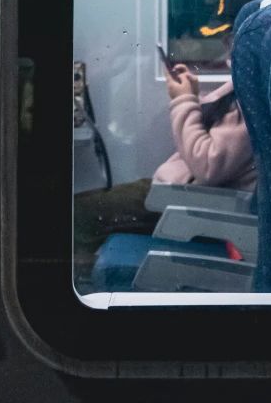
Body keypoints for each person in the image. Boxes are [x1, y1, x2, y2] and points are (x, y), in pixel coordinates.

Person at [73, 48, 256, 272]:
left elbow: (208, 165)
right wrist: (191, 94)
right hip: (181, 190)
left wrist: (184, 100)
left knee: (79, 214)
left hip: (193, 200)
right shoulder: (249, 86)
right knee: (84, 206)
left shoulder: (252, 101)